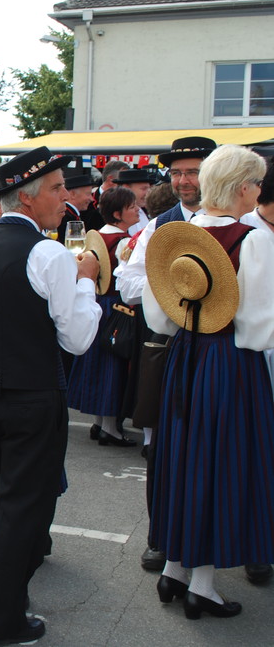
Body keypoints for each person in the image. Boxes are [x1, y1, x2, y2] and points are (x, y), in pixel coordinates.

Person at [0, 146, 100, 646]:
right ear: (27, 199)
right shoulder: (48, 254)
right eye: (57, 188)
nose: (65, 198)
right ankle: (4, 618)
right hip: (32, 397)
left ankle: (6, 603)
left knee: (4, 503)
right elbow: (77, 338)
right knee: (24, 509)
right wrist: (87, 284)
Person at [144, 144, 274, 619]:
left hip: (185, 356)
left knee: (183, 458)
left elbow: (159, 316)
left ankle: (174, 570)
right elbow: (259, 329)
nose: (259, 190)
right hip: (231, 362)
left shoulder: (178, 234)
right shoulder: (253, 240)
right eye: (256, 183)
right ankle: (200, 584)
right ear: (242, 188)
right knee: (222, 463)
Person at [113, 136, 218, 574]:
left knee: (227, 447)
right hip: (170, 349)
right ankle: (160, 537)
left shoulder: (239, 219)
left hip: (224, 350)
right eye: (176, 173)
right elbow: (126, 283)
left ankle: (243, 545)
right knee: (162, 448)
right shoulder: (159, 225)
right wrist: (176, 286)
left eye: (192, 172)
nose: (183, 181)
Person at [67, 187, 139, 446]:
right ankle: (110, 427)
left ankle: (100, 423)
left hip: (97, 300)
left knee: (98, 361)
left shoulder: (96, 236)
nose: (137, 210)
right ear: (118, 213)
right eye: (132, 207)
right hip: (116, 306)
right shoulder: (124, 242)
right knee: (112, 365)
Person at [114, 168, 152, 235]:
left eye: (149, 189)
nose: (148, 193)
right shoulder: (111, 215)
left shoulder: (146, 211)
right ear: (126, 188)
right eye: (143, 189)